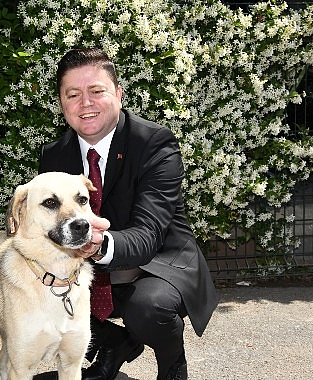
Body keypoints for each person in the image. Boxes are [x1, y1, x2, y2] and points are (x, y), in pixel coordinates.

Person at [38, 48, 218, 380]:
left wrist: (99, 243)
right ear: (61, 104)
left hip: (158, 264)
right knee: (28, 284)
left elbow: (149, 232)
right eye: (73, 94)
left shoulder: (154, 143)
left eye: (96, 91)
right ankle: (112, 344)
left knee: (147, 308)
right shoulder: (54, 156)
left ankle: (172, 364)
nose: (85, 103)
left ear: (118, 94)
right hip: (90, 270)